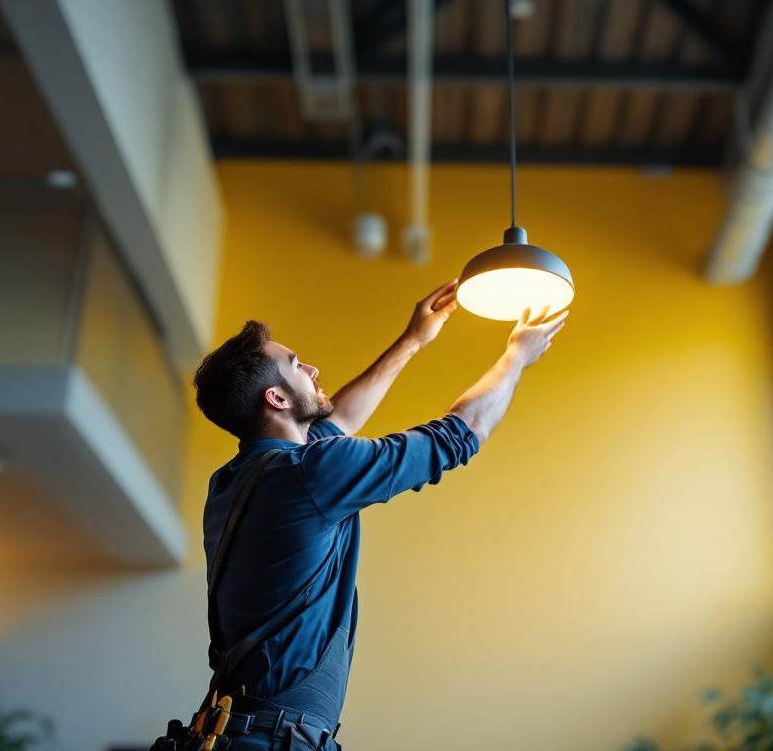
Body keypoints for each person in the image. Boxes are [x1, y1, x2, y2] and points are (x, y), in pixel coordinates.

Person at [190, 280, 568, 750]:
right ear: (277, 399)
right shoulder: (309, 473)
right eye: (296, 364)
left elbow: (338, 423)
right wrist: (516, 356)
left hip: (239, 732)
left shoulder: (238, 479)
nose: (312, 368)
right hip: (272, 739)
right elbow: (462, 432)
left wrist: (413, 339)